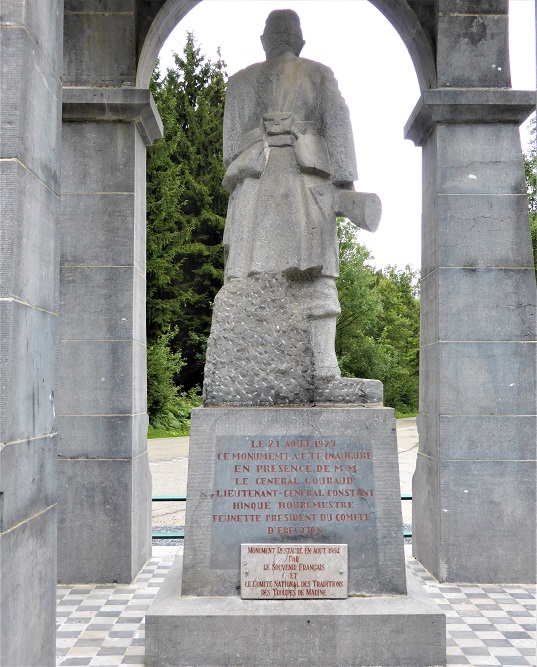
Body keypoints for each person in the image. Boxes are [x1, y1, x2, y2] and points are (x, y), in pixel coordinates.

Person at [221, 9, 361, 383]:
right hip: (304, 181)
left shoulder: (239, 82)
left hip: (257, 182)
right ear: (300, 40)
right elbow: (339, 127)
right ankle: (324, 366)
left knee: (247, 277)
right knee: (318, 274)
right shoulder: (319, 73)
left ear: (265, 40)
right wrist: (344, 187)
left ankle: (246, 370)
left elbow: (228, 150)